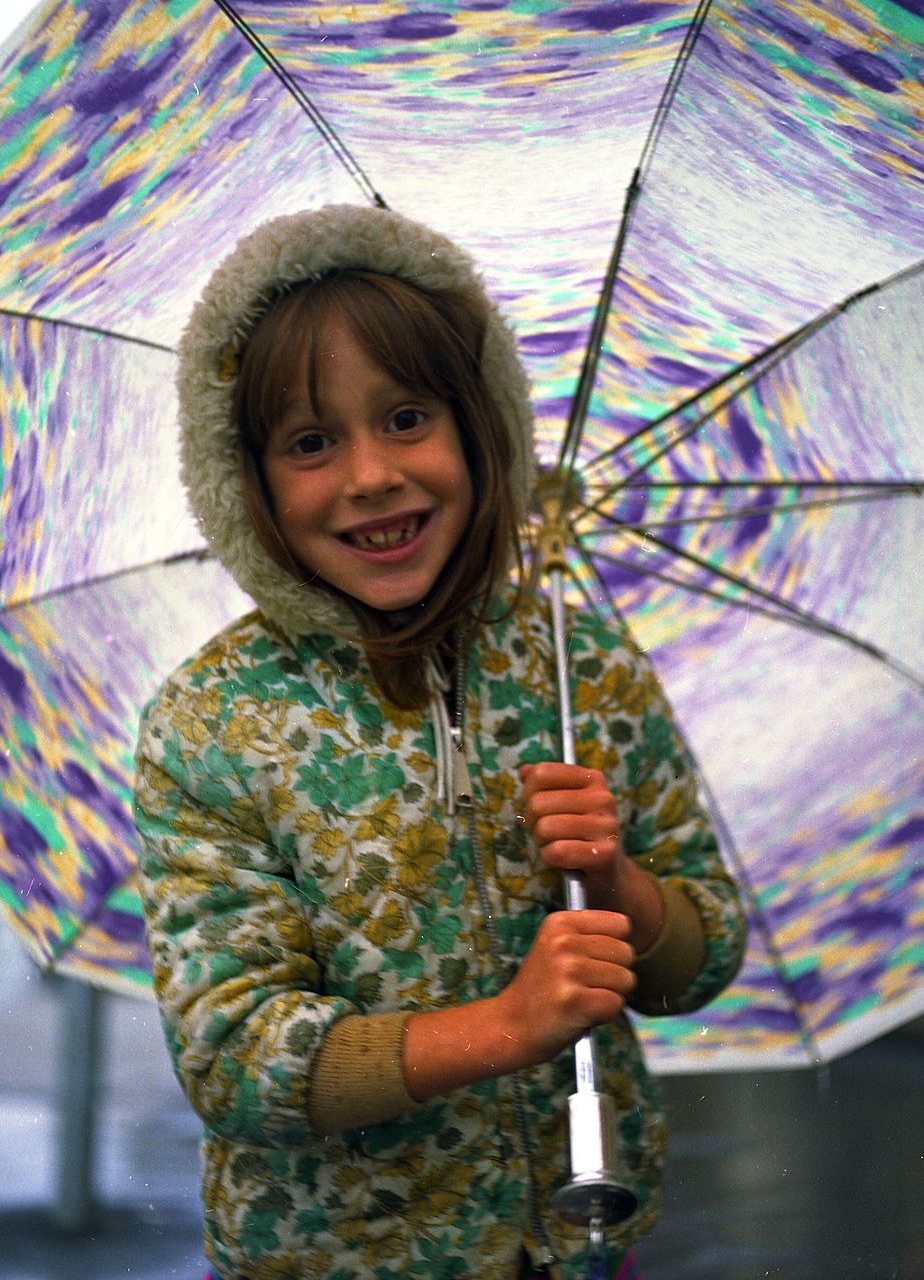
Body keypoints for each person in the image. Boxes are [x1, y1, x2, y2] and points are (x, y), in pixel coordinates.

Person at [134, 204, 746, 1280]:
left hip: (574, 1243)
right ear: (249, 485)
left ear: (479, 428)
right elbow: (233, 1057)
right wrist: (503, 1026)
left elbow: (702, 954)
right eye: (312, 442)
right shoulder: (210, 721)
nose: (371, 474)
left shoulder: (583, 669)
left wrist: (618, 885)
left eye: (407, 416)